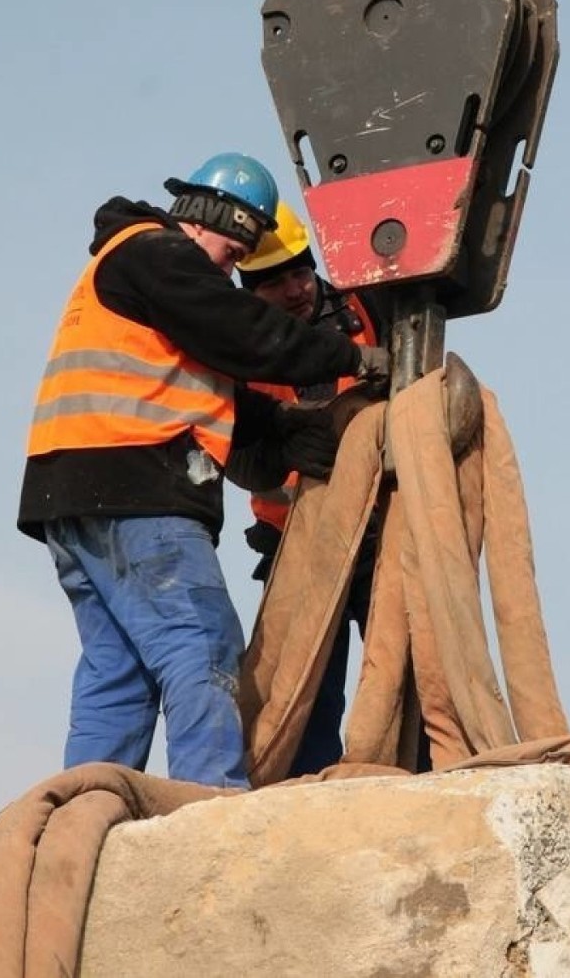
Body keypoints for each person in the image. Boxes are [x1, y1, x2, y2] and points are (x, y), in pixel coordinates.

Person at [18, 152, 389, 789]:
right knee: (201, 643)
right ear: (214, 217)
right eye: (236, 247)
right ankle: (210, 804)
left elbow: (209, 391)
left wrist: (292, 430)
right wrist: (354, 359)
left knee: (120, 667)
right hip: (137, 492)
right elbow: (244, 333)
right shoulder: (160, 254)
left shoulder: (140, 273)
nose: (233, 264)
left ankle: (84, 810)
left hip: (73, 499)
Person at [236, 201, 384, 775]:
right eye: (275, 282)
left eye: (301, 271)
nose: (297, 289)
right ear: (251, 290)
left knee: (406, 672)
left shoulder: (364, 307)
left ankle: (415, 779)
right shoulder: (238, 347)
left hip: (379, 534)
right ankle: (306, 793)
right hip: (295, 545)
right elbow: (243, 460)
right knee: (304, 690)